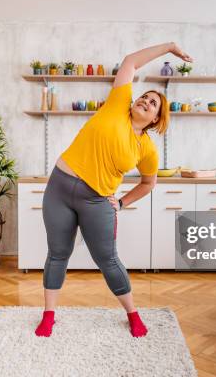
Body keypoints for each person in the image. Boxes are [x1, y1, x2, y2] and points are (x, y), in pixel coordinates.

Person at [35, 42, 193, 338]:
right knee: (58, 253)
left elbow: (149, 183)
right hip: (59, 188)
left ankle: (132, 314)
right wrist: (170, 47)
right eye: (144, 97)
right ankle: (48, 315)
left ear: (157, 119)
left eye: (153, 103)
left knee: (107, 258)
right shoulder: (118, 103)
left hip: (96, 201)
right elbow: (131, 62)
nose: (145, 101)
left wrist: (120, 203)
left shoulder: (147, 149)